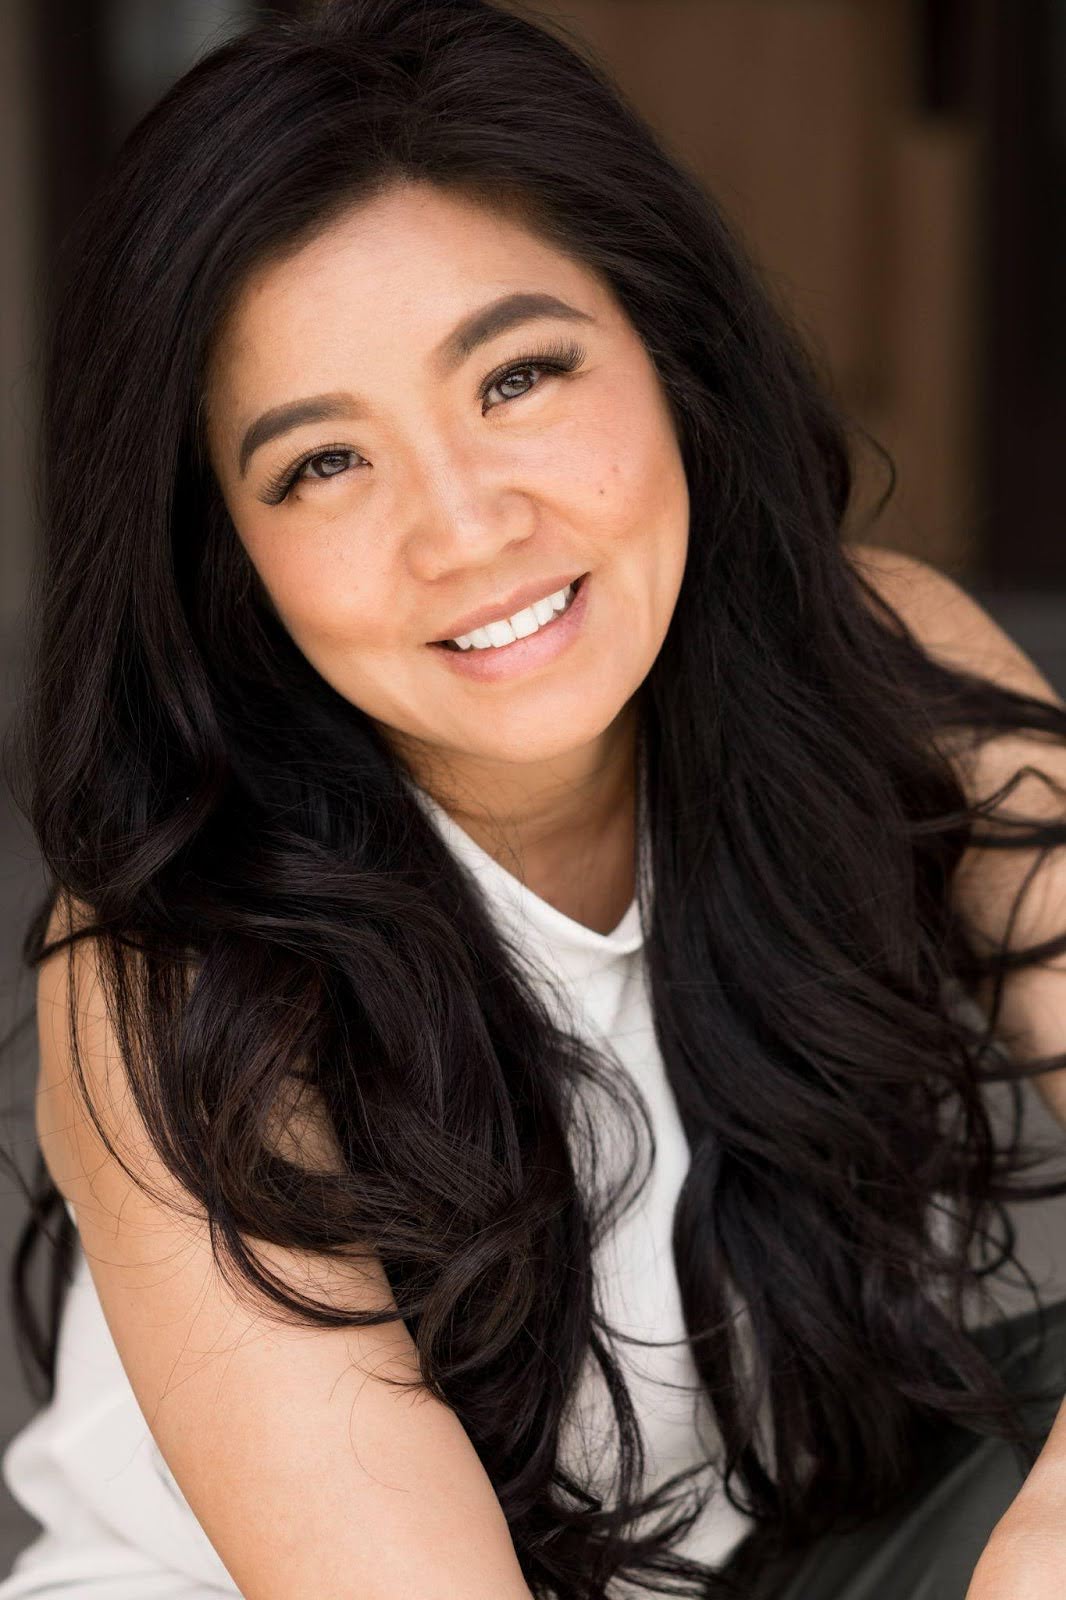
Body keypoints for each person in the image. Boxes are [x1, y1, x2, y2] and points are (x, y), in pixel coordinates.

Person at [1, 1, 1065, 1596]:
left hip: (760, 1554)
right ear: (228, 563)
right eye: (322, 465)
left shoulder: (879, 665)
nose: (463, 529)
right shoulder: (166, 975)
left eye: (515, 378)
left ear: (665, 347)